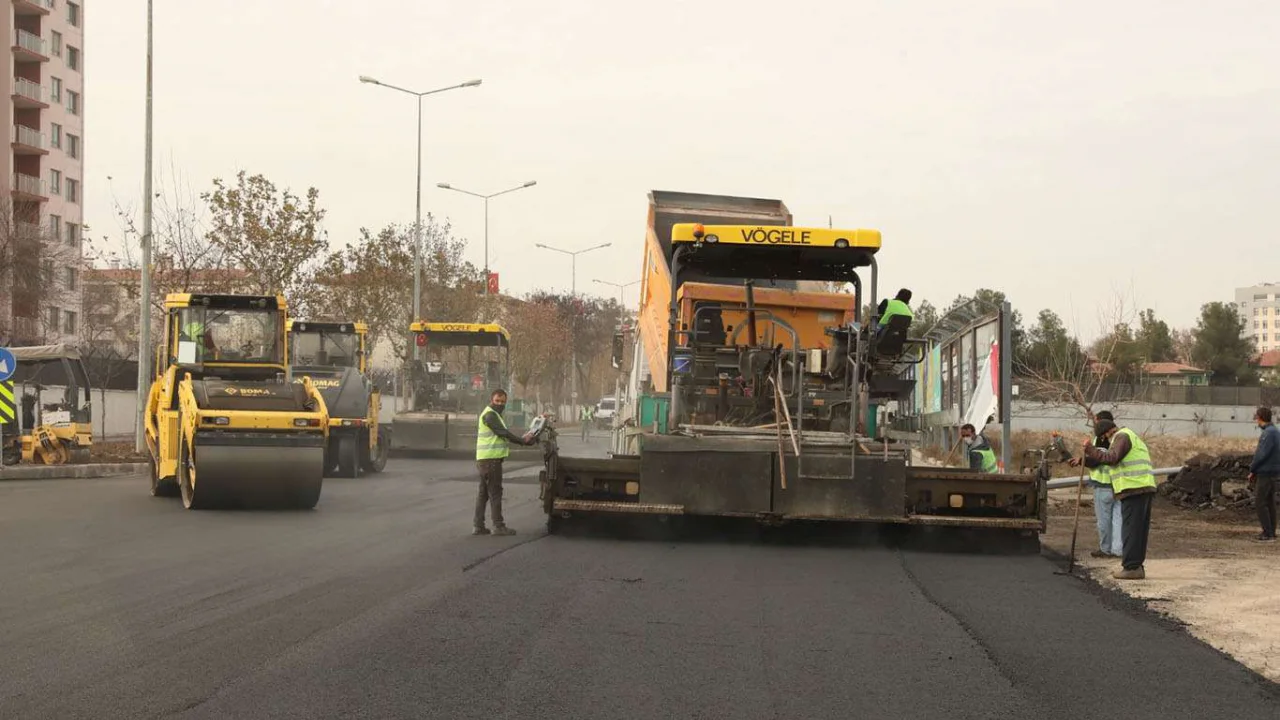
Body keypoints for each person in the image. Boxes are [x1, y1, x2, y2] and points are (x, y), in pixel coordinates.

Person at [1082, 419, 1156, 579]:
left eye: (1105, 438)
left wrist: (1090, 449)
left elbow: (1112, 458)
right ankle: (1136, 566)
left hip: (1134, 489)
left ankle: (1131, 567)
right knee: (1138, 531)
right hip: (1142, 488)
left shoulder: (1121, 437)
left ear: (1107, 433)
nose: (1107, 441)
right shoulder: (1130, 436)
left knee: (1130, 530)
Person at [474, 389, 536, 536]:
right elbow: (503, 433)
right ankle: (498, 526)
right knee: (495, 493)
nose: (500, 404)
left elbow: (503, 432)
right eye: (497, 401)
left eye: (503, 402)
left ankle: (478, 526)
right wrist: (523, 441)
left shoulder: (493, 414)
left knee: (483, 494)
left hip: (484, 459)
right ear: (491, 400)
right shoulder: (490, 415)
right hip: (491, 460)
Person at [1069, 410, 1122, 558]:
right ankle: (1118, 550)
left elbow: (1097, 460)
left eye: (1096, 421)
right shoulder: (1119, 438)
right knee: (1118, 520)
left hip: (1104, 486)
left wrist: (1082, 460)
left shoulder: (1101, 439)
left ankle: (1105, 549)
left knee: (1104, 520)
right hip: (1119, 485)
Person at [1247, 406, 1280, 543]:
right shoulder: (1276, 432)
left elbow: (1261, 454)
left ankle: (1267, 532)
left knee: (1260, 502)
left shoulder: (1268, 433)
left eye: (1257, 419)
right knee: (1270, 502)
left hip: (1265, 472)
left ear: (1260, 418)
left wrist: (1252, 469)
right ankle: (1272, 531)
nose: (1256, 422)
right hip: (1275, 472)